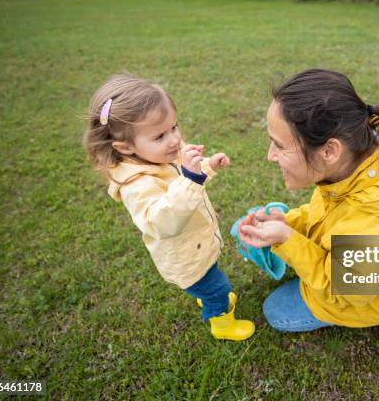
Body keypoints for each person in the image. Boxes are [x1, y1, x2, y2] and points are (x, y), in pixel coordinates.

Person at [239, 69, 379, 332]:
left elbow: (342, 290)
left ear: (329, 150)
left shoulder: (376, 229)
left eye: (279, 145)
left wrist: (287, 239)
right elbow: (330, 215)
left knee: (275, 311)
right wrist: (289, 221)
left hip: (357, 296)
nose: (270, 156)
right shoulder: (354, 160)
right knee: (243, 226)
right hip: (355, 267)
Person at [83, 74, 254, 341]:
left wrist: (208, 166)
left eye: (174, 127)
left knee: (211, 277)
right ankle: (222, 324)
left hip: (196, 244)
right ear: (126, 147)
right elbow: (162, 222)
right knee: (218, 288)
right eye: (160, 135)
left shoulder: (157, 154)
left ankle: (207, 294)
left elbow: (187, 177)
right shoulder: (136, 184)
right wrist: (191, 177)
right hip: (185, 257)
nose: (174, 139)